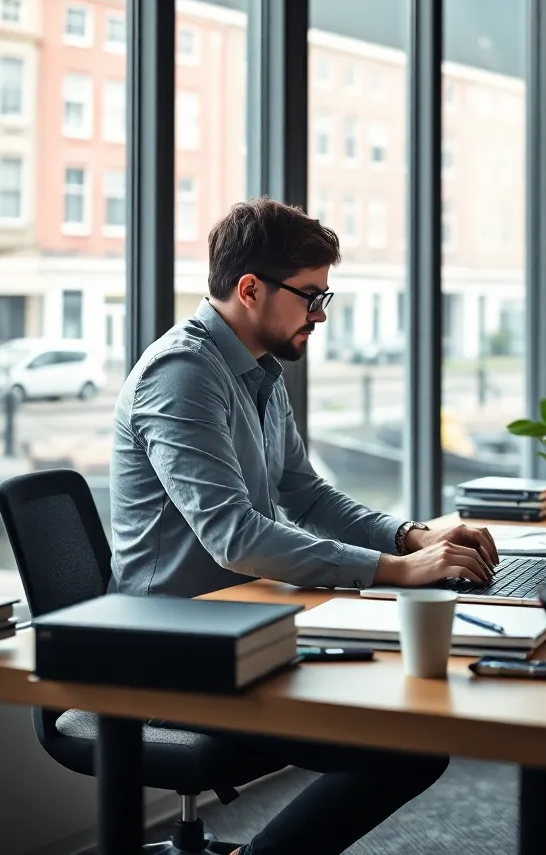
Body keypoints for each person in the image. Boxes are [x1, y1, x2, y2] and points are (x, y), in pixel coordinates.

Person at [110, 197, 499, 855]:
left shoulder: (258, 372)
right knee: (409, 743)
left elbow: (306, 495)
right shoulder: (181, 377)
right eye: (311, 296)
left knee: (412, 715)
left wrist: (410, 538)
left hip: (242, 628)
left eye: (326, 296)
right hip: (171, 651)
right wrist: (398, 572)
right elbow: (234, 536)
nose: (320, 316)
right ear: (251, 289)